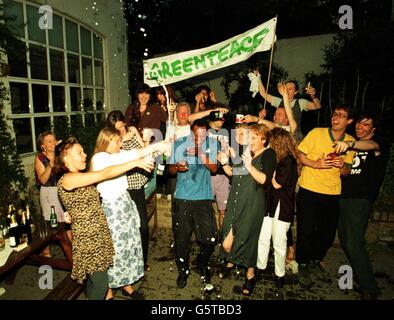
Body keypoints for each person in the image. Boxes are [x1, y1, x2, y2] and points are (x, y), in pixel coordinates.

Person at [56, 137, 155, 300]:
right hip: (89, 240)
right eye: (79, 152)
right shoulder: (68, 179)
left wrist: (72, 213)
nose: (85, 155)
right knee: (101, 284)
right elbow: (105, 173)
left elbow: (85, 200)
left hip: (100, 234)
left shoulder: (79, 176)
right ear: (66, 157)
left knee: (96, 280)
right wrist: (136, 162)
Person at [91, 128, 161, 300]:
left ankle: (126, 285)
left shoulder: (118, 154)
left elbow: (138, 152)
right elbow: (109, 172)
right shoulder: (99, 158)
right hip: (111, 208)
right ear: (106, 141)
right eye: (117, 141)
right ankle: (108, 288)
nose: (120, 144)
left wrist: (162, 144)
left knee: (129, 245)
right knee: (114, 249)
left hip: (125, 203)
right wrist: (135, 163)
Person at [296, 106, 355, 288]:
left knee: (327, 233)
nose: (336, 118)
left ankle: (315, 260)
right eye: (335, 114)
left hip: (332, 192)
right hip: (309, 188)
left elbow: (347, 171)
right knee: (305, 230)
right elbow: (299, 154)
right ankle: (303, 264)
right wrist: (315, 163)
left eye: (341, 115)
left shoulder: (351, 141)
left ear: (349, 121)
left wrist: (341, 166)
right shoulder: (317, 133)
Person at [218, 124, 277, 296]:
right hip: (236, 200)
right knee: (226, 242)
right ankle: (232, 261)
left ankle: (250, 275)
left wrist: (249, 166)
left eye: (253, 138)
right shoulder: (247, 153)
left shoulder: (268, 154)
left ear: (263, 140)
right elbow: (233, 173)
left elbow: (264, 179)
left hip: (252, 204)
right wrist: (224, 164)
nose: (249, 141)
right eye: (249, 137)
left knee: (249, 240)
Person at [335, 113, 384, 300]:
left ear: (373, 129)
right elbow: (347, 173)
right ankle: (360, 274)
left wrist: (350, 144)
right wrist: (341, 165)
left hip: (361, 199)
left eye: (366, 125)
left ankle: (370, 288)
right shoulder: (352, 146)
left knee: (354, 241)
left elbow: (371, 145)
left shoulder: (375, 145)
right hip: (345, 197)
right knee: (345, 238)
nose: (360, 127)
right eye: (358, 124)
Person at [168, 119, 219, 288]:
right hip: (182, 198)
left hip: (203, 198)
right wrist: (177, 167)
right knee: (181, 240)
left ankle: (201, 264)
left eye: (203, 135)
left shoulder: (212, 144)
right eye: (196, 135)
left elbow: (214, 168)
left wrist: (199, 152)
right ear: (191, 132)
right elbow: (170, 170)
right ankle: (183, 271)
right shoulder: (180, 144)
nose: (200, 138)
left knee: (210, 239)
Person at [106, 110, 151, 272]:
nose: (122, 130)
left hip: (137, 184)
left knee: (143, 227)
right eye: (117, 128)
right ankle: (128, 263)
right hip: (123, 187)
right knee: (128, 228)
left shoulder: (132, 131)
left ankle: (143, 261)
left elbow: (144, 150)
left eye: (122, 126)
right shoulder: (111, 140)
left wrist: (145, 141)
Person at [256, 128, 300, 288]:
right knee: (263, 237)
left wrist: (270, 172)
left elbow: (276, 183)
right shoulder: (277, 159)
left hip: (282, 208)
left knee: (279, 243)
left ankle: (279, 274)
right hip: (269, 205)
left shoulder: (288, 160)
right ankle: (260, 267)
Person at [188, 107, 231, 229]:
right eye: (219, 115)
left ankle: (221, 240)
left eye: (224, 116)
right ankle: (209, 237)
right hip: (207, 176)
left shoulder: (228, 131)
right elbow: (190, 118)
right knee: (206, 210)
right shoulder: (205, 129)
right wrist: (212, 110)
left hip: (223, 176)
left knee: (224, 211)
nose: (222, 118)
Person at [255, 70, 321, 140]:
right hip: (279, 135)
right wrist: (258, 77)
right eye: (286, 88)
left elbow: (317, 106)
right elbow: (263, 94)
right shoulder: (279, 101)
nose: (287, 90)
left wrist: (313, 96)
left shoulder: (300, 102)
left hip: (294, 138)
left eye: (290, 89)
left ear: (295, 92)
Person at [34, 131, 69, 257]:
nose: (53, 143)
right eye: (49, 141)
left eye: (54, 140)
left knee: (66, 220)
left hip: (62, 190)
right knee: (51, 223)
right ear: (42, 145)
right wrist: (50, 165)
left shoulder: (60, 154)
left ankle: (71, 251)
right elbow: (42, 180)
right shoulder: (40, 158)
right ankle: (45, 250)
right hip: (49, 193)